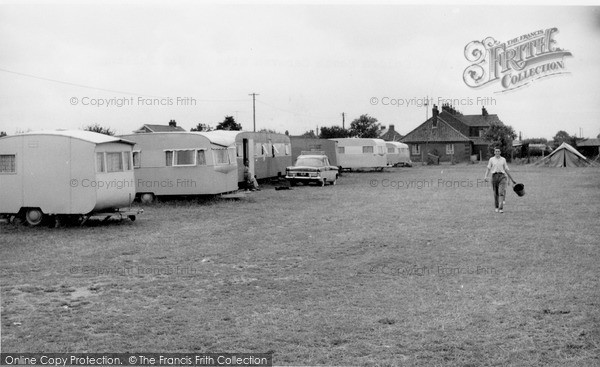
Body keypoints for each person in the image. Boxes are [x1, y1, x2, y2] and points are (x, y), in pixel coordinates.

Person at [483, 148, 516, 213]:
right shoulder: (491, 159)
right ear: (494, 152)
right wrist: (485, 176)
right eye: (496, 151)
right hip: (494, 176)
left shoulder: (503, 159)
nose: (497, 152)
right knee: (496, 193)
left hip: (502, 176)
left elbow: (506, 169)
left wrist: (512, 179)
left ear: (500, 152)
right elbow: (488, 168)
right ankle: (496, 207)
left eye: (498, 151)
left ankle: (501, 208)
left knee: (501, 192)